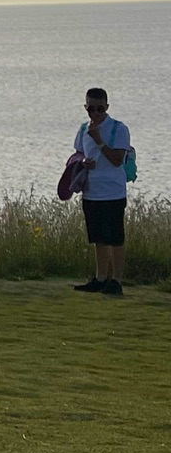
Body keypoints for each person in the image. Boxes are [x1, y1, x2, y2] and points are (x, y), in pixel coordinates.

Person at [72, 87, 130, 297]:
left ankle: (116, 281)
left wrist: (98, 140)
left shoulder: (118, 129)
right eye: (91, 109)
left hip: (113, 192)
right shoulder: (82, 130)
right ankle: (100, 278)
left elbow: (117, 160)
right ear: (85, 107)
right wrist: (83, 162)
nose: (95, 113)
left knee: (115, 238)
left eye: (100, 109)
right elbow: (77, 154)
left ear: (107, 107)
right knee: (98, 238)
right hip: (91, 191)